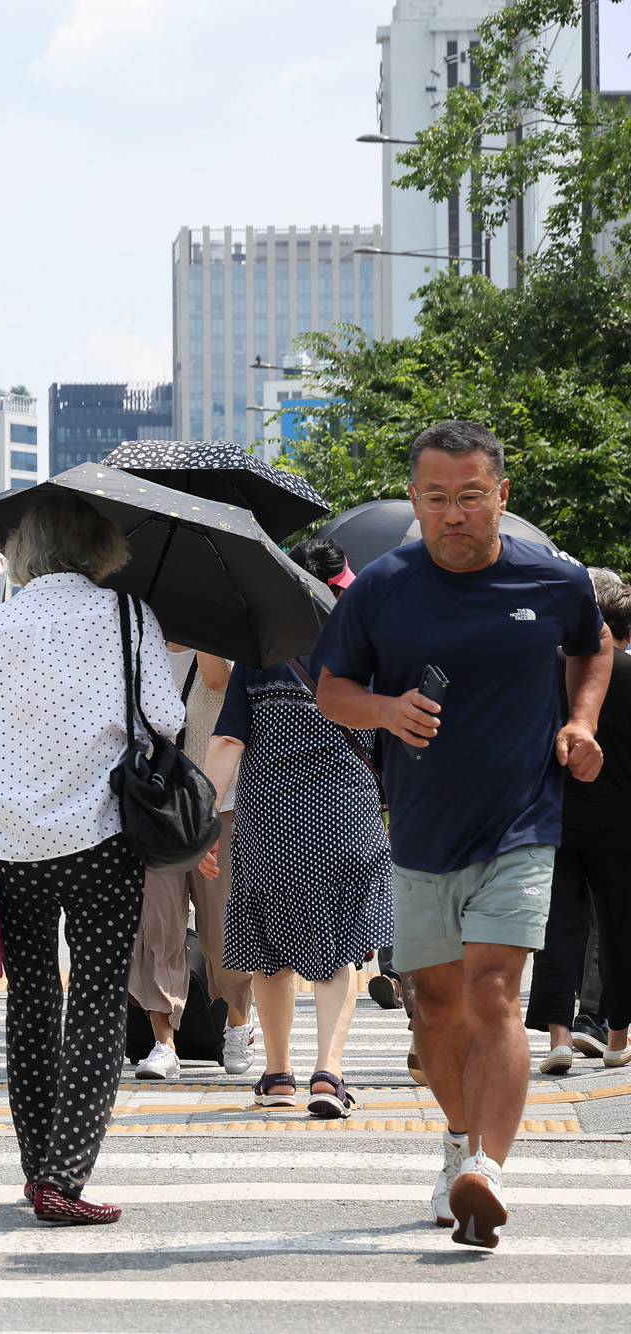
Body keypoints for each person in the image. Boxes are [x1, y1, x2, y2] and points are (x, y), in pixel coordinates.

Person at [313, 420, 608, 1249]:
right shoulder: (382, 587)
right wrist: (385, 711)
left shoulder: (553, 582)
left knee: (493, 995)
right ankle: (455, 1141)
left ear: (501, 496)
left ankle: (489, 1168)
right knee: (434, 1010)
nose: (454, 513)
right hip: (420, 832)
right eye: (436, 497)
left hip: (522, 823)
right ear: (415, 499)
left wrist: (582, 722)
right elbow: (333, 687)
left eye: (471, 496)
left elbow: (595, 645)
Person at [0, 492, 184, 1226]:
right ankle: (64, 1175)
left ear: (26, 552)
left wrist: (20, 771)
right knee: (99, 997)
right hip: (106, 836)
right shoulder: (127, 616)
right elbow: (166, 719)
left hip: (13, 840)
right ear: (100, 547)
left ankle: (34, 1164)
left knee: (35, 997)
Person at [197, 537, 392, 1119]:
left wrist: (206, 820)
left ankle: (278, 1074)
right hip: (347, 816)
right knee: (341, 950)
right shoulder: (371, 652)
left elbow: (228, 740)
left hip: (269, 821)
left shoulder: (262, 654)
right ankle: (328, 1075)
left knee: (267, 949)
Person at [126, 641, 257, 1081]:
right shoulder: (138, 651)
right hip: (158, 810)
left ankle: (238, 1023)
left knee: (222, 925)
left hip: (218, 809)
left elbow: (218, 682)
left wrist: (204, 631)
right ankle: (164, 1041)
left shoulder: (217, 654)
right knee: (158, 926)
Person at [529, 569, 631, 1072]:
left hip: (558, 813)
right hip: (620, 819)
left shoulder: (549, 670)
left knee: (558, 926)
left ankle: (559, 1039)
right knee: (619, 926)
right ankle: (616, 1039)